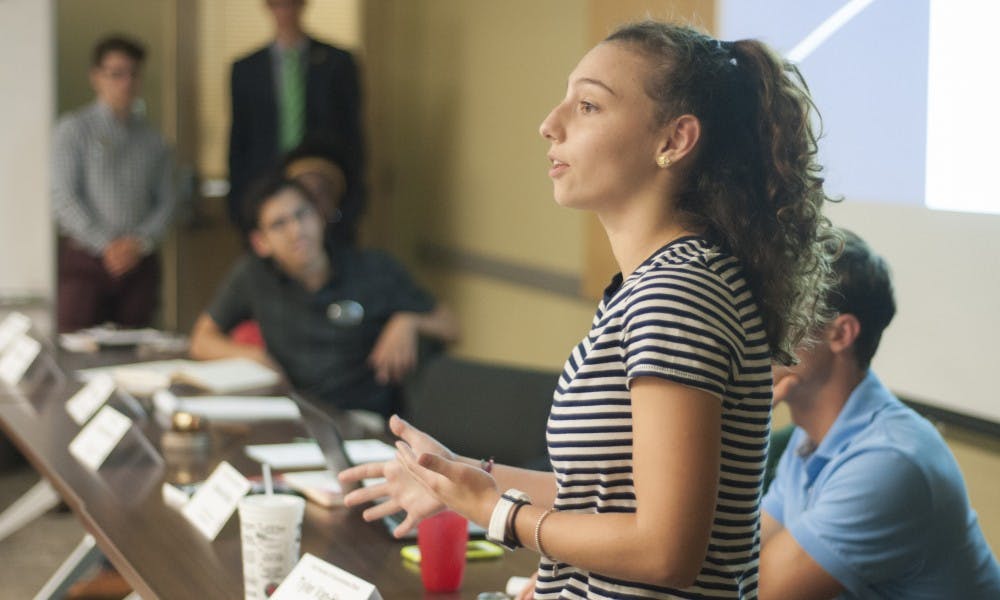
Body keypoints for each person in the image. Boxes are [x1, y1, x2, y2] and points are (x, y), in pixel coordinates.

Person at [340, 20, 839, 599]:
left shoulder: (679, 293)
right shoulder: (654, 285)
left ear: (674, 141)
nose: (549, 125)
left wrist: (496, 512)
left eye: (588, 106)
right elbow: (606, 499)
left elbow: (666, 550)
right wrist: (464, 480)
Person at [758, 230, 1000, 599]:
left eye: (782, 311)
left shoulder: (889, 460)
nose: (758, 329)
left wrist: (736, 421)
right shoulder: (812, 434)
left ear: (841, 334)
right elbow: (743, 551)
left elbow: (758, 590)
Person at [189, 176, 458, 417]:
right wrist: (253, 356)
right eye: (279, 224)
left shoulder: (373, 269)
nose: (296, 230)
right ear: (261, 243)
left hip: (364, 420)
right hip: (291, 413)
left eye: (302, 214)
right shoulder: (253, 275)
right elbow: (202, 339)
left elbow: (451, 326)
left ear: (318, 217)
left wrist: (409, 321)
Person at [52, 35, 175, 332]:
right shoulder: (74, 130)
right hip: (86, 260)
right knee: (77, 350)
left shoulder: (154, 140)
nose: (126, 82)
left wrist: (138, 243)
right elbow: (63, 197)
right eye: (116, 74)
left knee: (135, 354)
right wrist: (106, 245)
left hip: (139, 262)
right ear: (96, 77)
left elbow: (167, 202)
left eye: (133, 73)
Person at [228, 0, 363, 230]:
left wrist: (351, 202)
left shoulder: (337, 63)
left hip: (324, 190)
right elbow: (239, 139)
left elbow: (352, 136)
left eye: (290, 3)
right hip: (264, 188)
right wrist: (238, 205)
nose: (285, 10)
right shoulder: (246, 69)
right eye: (278, 4)